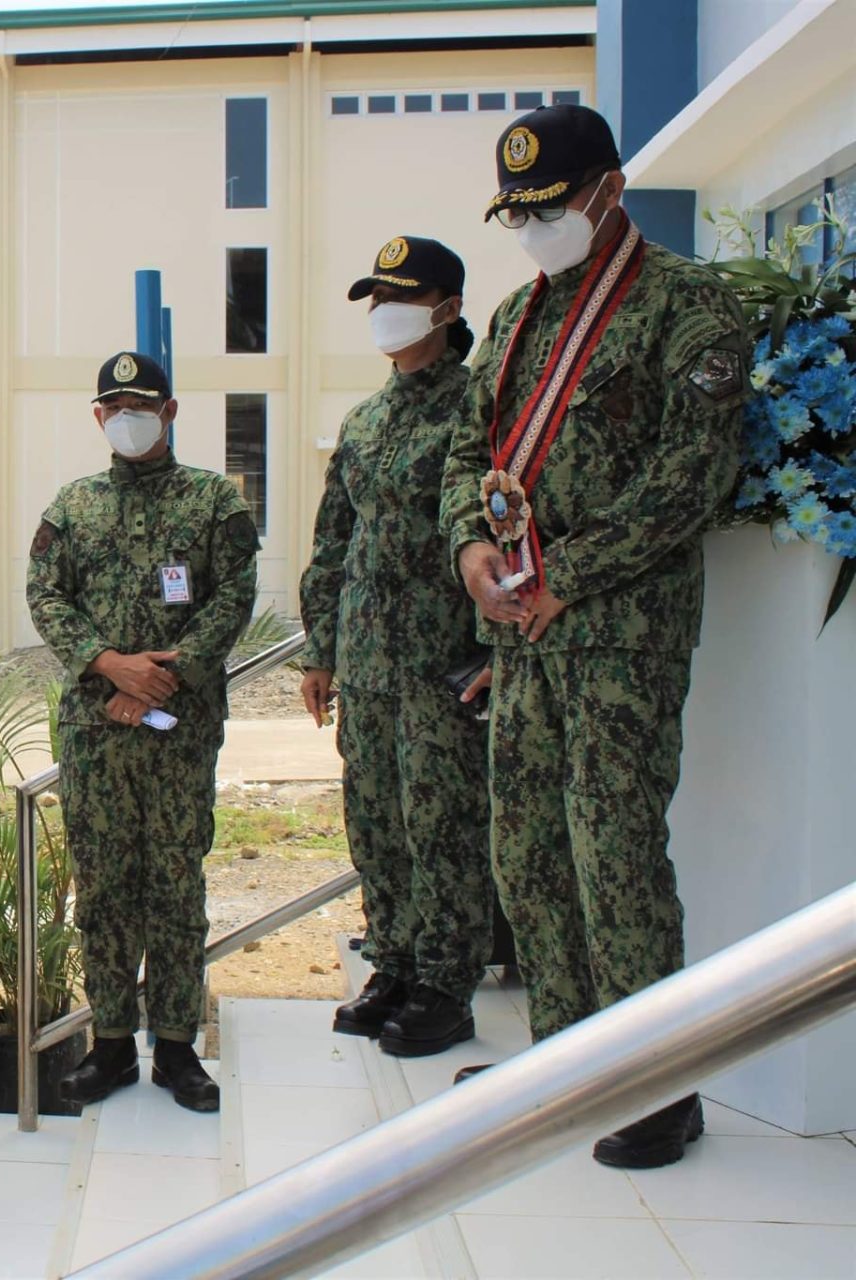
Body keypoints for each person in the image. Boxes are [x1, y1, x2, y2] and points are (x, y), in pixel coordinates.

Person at [440, 104, 748, 1168]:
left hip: (618, 632)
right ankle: (561, 1058)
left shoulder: (688, 307)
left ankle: (656, 1083)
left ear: (608, 190)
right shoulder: (517, 320)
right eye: (518, 213)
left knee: (612, 850)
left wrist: (565, 576)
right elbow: (462, 461)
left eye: (551, 206)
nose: (534, 228)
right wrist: (471, 554)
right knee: (524, 848)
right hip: (522, 634)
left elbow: (692, 476)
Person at [26, 350, 259, 1113]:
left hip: (179, 729)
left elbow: (233, 598)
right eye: (115, 405)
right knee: (104, 889)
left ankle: (179, 1048)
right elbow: (47, 599)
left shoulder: (213, 503)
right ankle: (114, 1045)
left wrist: (170, 673)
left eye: (142, 404)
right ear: (99, 416)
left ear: (169, 411)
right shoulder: (72, 507)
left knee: (174, 882)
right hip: (97, 731)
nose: (128, 416)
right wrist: (110, 666)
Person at [300, 236, 493, 1059]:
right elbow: (333, 540)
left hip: (445, 662)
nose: (384, 314)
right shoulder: (367, 419)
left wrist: (494, 648)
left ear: (447, 309)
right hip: (371, 666)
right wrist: (321, 649)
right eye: (376, 300)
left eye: (400, 298)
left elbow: (506, 528)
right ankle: (397, 961)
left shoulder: (480, 408)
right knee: (376, 821)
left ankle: (448, 984)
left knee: (442, 824)